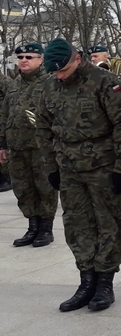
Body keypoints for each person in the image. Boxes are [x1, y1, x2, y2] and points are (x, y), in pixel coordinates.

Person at [36, 38, 121, 312]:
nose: (59, 75)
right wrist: (51, 168)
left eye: (63, 70)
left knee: (108, 223)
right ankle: (86, 279)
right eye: (55, 71)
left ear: (77, 58)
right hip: (69, 168)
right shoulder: (50, 85)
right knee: (76, 224)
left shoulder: (104, 82)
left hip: (103, 166)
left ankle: (105, 282)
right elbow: (43, 129)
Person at [0, 42, 58, 248]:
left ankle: (46, 229)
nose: (23, 61)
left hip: (41, 149)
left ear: (40, 60)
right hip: (17, 147)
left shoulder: (50, 83)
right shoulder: (15, 84)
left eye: (29, 57)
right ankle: (32, 227)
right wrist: (2, 144)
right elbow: (5, 115)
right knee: (23, 189)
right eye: (21, 57)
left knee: (45, 188)